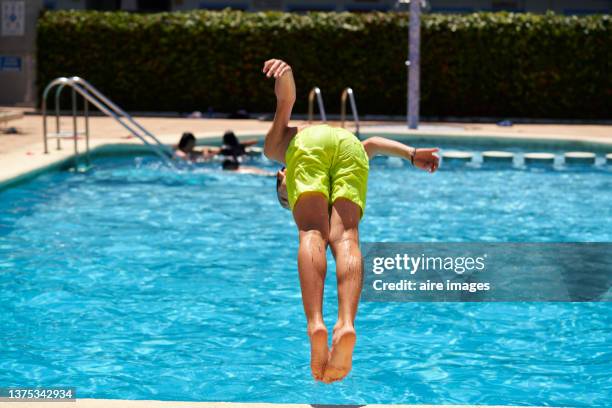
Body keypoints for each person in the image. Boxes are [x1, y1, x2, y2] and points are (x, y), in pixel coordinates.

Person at [262, 59, 440, 384]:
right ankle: (345, 323)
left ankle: (316, 322)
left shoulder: (278, 149)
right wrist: (412, 154)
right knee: (347, 240)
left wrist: (285, 77)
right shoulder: (300, 142)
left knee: (311, 233)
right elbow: (371, 145)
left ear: (283, 176)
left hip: (310, 148)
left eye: (287, 195)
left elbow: (285, 99)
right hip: (349, 148)